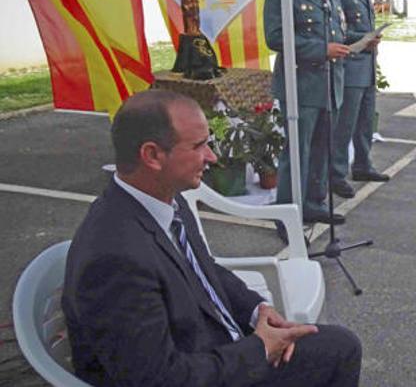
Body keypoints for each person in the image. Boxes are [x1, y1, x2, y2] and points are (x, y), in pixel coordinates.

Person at [62, 90, 362, 386]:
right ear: (152, 155)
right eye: (199, 146)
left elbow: (205, 268)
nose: (212, 156)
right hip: (199, 371)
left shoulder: (165, 200)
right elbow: (159, 379)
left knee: (338, 345)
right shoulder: (116, 257)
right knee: (339, 350)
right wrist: (259, 349)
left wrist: (258, 310)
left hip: (217, 353)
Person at [264, 0, 349, 232]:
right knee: (296, 154)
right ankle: (288, 216)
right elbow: (275, 38)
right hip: (302, 86)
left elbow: (336, 33)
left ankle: (313, 203)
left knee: (321, 151)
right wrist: (321, 50)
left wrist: (358, 42)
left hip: (330, 86)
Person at [329, 0, 390, 199]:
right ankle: (337, 174)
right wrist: (364, 38)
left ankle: (363, 165)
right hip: (351, 66)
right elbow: (338, 31)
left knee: (365, 121)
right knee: (345, 124)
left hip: (365, 67)